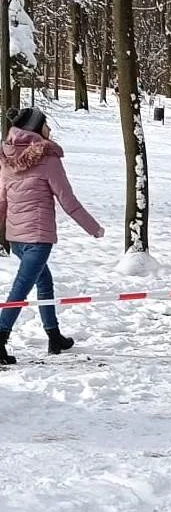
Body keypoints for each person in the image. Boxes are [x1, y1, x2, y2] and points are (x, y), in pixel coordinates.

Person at [0, 107, 105, 365]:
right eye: (46, 124)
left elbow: (1, 201)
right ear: (36, 128)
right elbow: (67, 200)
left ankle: (54, 335)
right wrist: (94, 228)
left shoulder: (7, 157)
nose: (50, 129)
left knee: (44, 282)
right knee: (20, 289)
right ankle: (0, 336)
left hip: (17, 239)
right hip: (37, 237)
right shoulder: (47, 157)